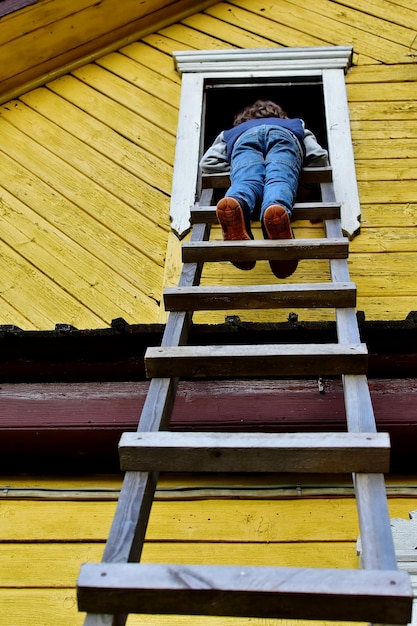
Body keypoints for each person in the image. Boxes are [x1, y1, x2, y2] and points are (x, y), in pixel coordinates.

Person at [199, 99, 329, 278]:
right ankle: (275, 209)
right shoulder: (296, 125)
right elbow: (319, 157)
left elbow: (208, 162)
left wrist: (236, 168)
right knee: (279, 180)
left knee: (246, 182)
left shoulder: (229, 133)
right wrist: (300, 171)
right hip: (284, 138)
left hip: (243, 141)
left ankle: (237, 201)